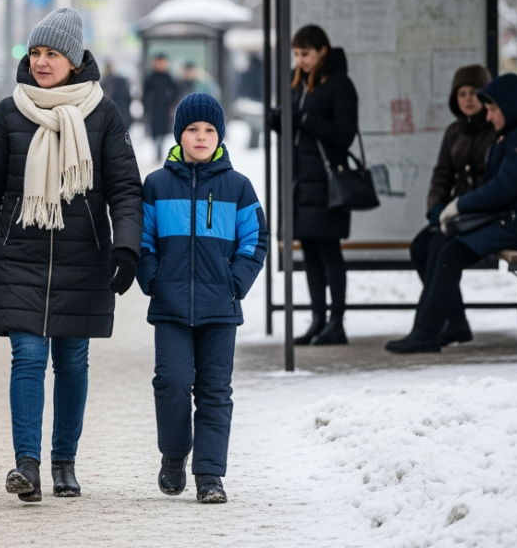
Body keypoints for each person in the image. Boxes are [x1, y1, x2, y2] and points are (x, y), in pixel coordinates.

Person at [0, 7, 142, 502]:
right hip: (21, 253)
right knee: (27, 356)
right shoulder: (8, 112)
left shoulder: (103, 114)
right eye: (36, 52)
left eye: (52, 54)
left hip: (85, 256)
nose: (41, 62)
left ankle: (64, 461)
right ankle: (28, 465)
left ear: (75, 59)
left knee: (73, 361)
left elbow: (126, 188)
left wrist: (126, 245)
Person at [137, 93, 267, 504]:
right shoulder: (157, 185)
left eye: (209, 130)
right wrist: (153, 279)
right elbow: (142, 242)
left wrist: (236, 282)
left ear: (220, 136)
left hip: (220, 309)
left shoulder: (238, 187)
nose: (200, 136)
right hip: (170, 306)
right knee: (172, 383)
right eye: (192, 129)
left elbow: (256, 238)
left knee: (215, 391)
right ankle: (174, 456)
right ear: (179, 134)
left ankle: (210, 475)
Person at [386, 73, 517, 354]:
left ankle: (426, 332)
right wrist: (446, 209)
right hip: (507, 217)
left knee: (449, 252)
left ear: (509, 107)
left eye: (492, 109)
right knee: (439, 244)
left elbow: (503, 188)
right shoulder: (515, 134)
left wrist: (460, 206)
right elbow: (457, 177)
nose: (488, 117)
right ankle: (439, 327)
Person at [269, 25, 358, 346]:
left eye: (305, 53)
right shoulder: (298, 84)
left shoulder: (339, 84)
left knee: (329, 251)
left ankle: (337, 322)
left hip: (325, 182)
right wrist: (280, 120)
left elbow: (344, 134)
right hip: (299, 182)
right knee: (309, 253)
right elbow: (297, 133)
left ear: (323, 51)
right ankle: (318, 320)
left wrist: (303, 119)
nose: (300, 60)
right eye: (296, 54)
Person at [409, 64, 495, 346]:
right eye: (462, 93)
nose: (468, 99)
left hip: (481, 215)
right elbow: (441, 175)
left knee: (440, 249)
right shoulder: (453, 132)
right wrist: (435, 208)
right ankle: (457, 321)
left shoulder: (495, 130)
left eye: (474, 93)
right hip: (454, 214)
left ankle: (429, 328)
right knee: (420, 246)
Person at [143, 53, 181, 160]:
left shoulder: (168, 77)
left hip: (165, 108)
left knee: (163, 129)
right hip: (154, 109)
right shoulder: (151, 77)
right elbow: (145, 93)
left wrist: (171, 103)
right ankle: (156, 147)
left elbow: (175, 92)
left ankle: (161, 146)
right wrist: (147, 105)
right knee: (154, 129)